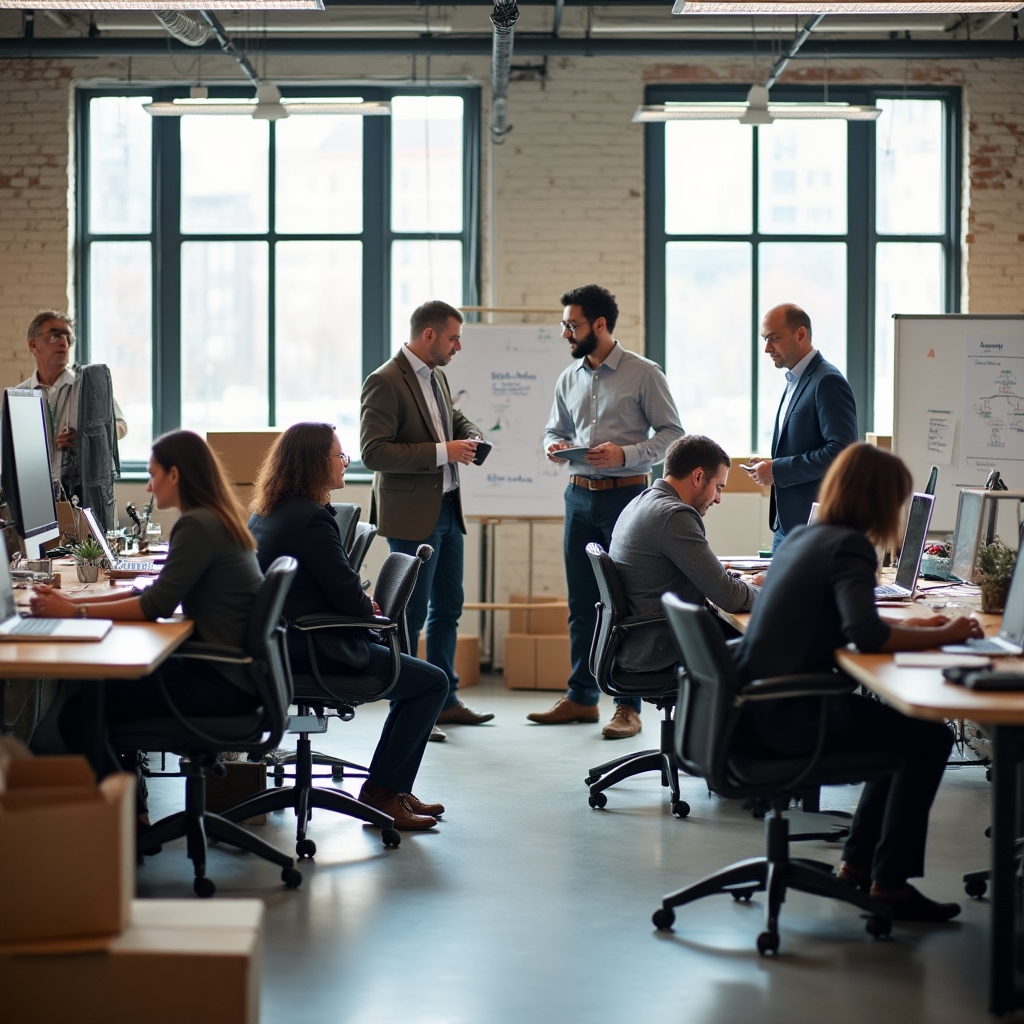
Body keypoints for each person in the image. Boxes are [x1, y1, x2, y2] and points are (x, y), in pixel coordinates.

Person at [735, 443, 984, 922]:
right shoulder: (849, 546)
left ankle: (856, 865)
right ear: (877, 500)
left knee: (900, 730)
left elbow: (853, 623)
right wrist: (951, 632)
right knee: (928, 737)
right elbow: (865, 635)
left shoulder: (807, 538)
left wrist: (920, 629)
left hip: (760, 713)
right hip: (792, 720)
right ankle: (889, 884)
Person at [31, 430, 265, 819]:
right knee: (94, 688)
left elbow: (154, 605)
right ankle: (130, 810)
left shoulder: (197, 526)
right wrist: (73, 602)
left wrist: (77, 614)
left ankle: (128, 818)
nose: (148, 485)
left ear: (175, 475)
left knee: (79, 713)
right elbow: (154, 593)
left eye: (153, 474)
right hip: (233, 675)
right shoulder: (213, 519)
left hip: (220, 683)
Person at [248, 422, 448, 831]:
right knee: (432, 683)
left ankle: (388, 789)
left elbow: (331, 585)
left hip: (278, 644)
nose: (346, 461)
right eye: (339, 456)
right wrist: (366, 609)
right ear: (314, 464)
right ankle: (384, 794)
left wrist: (359, 603)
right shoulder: (312, 520)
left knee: (417, 681)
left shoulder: (267, 512)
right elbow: (345, 593)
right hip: (315, 650)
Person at [529, 284, 684, 739]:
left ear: (599, 325)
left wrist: (627, 454)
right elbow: (552, 429)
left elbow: (673, 435)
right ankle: (581, 697)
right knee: (581, 602)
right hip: (578, 497)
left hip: (626, 498)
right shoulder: (568, 377)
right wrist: (553, 447)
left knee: (625, 602)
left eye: (572, 325)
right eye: (564, 325)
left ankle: (627, 706)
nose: (565, 333)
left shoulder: (644, 373)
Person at [360, 300, 494, 730]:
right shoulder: (384, 381)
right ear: (429, 335)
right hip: (414, 516)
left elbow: (449, 417)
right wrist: (444, 452)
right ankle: (409, 703)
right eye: (454, 338)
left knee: (448, 607)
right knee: (410, 615)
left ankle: (445, 699)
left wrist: (468, 434)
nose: (458, 346)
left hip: (448, 508)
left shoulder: (435, 375)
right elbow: (373, 452)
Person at [610, 435, 760, 680]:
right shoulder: (674, 515)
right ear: (698, 476)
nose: (719, 498)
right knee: (773, 647)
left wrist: (736, 582)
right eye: (719, 487)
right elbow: (729, 597)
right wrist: (769, 591)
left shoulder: (642, 502)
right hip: (662, 649)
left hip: (640, 644)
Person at [745, 304, 857, 552]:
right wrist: (770, 466)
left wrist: (778, 470)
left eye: (774, 338)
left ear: (801, 334)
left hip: (813, 528)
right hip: (786, 525)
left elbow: (841, 453)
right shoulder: (794, 380)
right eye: (765, 339)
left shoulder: (827, 380)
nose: (767, 348)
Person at [16, 311, 128, 530]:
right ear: (33, 344)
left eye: (68, 337)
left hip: (82, 492)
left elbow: (120, 427)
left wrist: (85, 437)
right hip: (35, 495)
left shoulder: (88, 387)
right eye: (54, 335)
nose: (64, 342)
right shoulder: (19, 395)